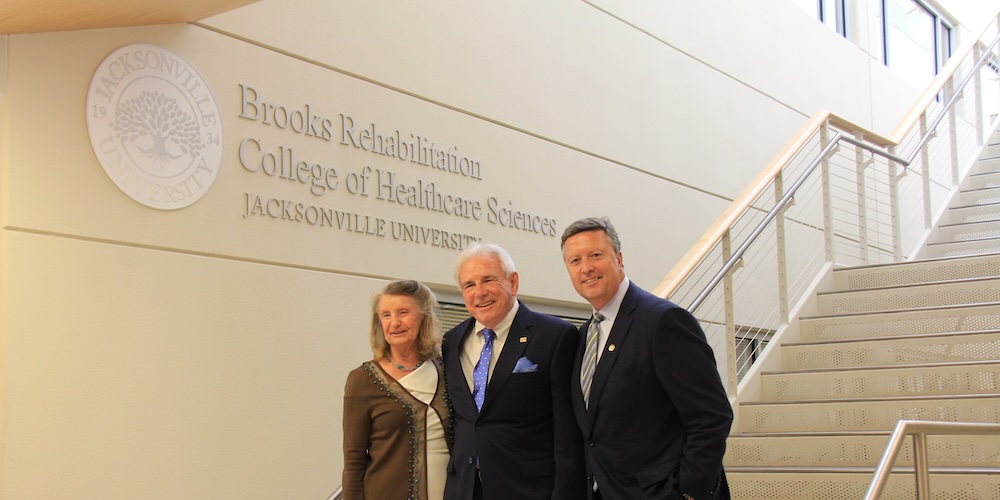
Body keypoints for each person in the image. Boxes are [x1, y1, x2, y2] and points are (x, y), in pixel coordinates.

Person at [560, 217, 733, 500]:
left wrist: (689, 491)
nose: (586, 267)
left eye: (595, 255)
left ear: (619, 258)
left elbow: (712, 416)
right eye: (575, 260)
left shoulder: (663, 321)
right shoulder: (583, 336)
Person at [442, 243, 586, 500]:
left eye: (488, 280)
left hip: (529, 489)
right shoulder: (452, 341)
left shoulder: (555, 336)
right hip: (464, 489)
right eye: (469, 285)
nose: (479, 292)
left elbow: (568, 431)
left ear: (513, 282)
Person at [342, 280, 452, 500]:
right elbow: (354, 461)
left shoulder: (448, 370)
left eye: (403, 312)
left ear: (424, 317)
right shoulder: (362, 380)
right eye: (386, 315)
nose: (394, 323)